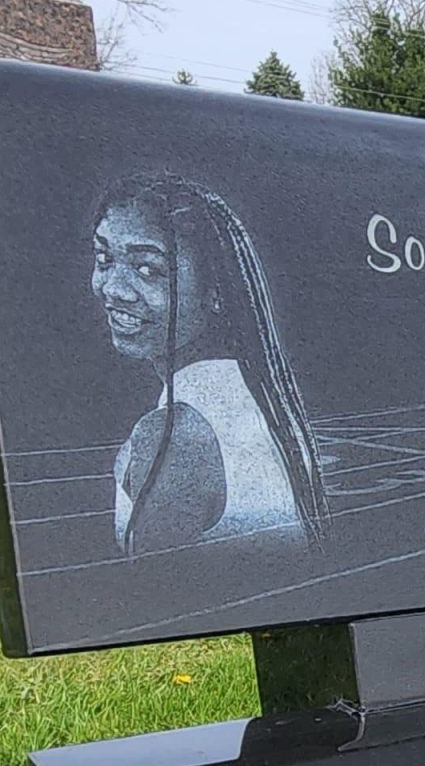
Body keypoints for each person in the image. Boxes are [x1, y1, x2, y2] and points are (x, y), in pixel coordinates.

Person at [90, 173, 325, 555]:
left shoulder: (175, 435)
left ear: (215, 291)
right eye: (104, 259)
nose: (113, 288)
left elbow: (156, 597)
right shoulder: (254, 393)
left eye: (147, 269)